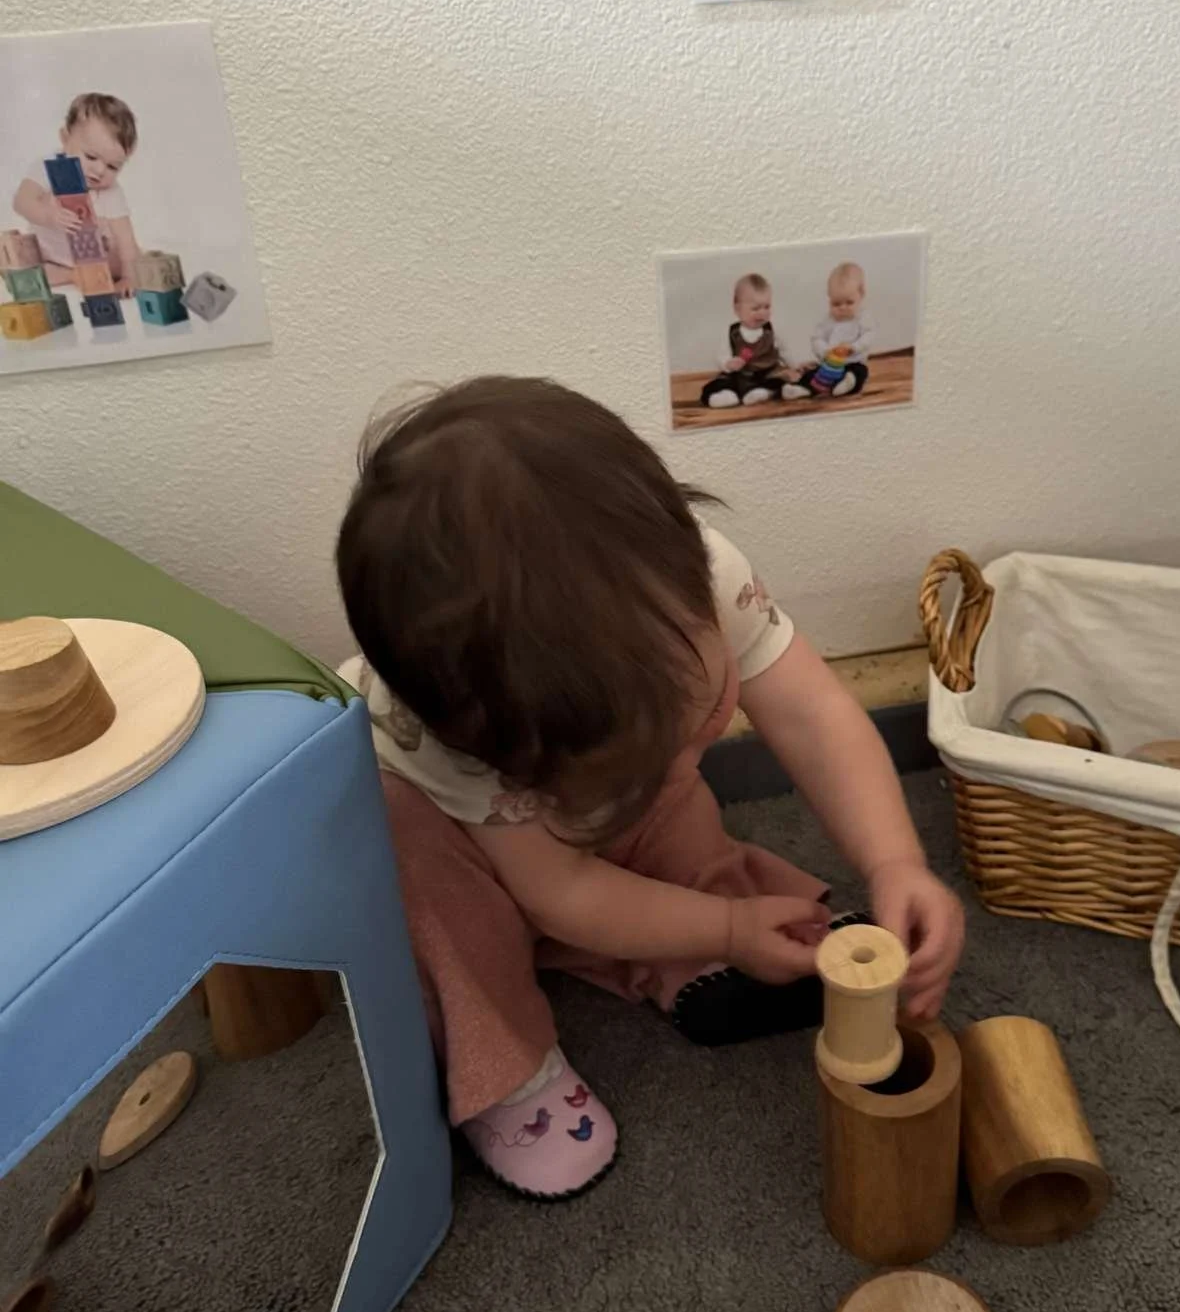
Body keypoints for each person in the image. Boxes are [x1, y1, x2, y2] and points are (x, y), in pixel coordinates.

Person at [337, 377, 963, 1199]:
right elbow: (561, 890)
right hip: (453, 833)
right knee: (444, 916)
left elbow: (813, 715)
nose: (677, 756)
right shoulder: (454, 740)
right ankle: (507, 1069)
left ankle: (692, 937)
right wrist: (732, 929)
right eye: (635, 752)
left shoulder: (696, 576)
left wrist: (895, 863)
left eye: (694, 720)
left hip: (567, 815)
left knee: (678, 824)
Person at [10, 92, 142, 292]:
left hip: (97, 260)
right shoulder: (47, 168)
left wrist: (128, 278)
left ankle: (83, 274)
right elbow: (21, 201)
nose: (99, 171)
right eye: (91, 157)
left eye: (113, 167)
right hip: (49, 256)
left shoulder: (111, 192)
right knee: (16, 263)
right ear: (65, 138)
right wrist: (49, 215)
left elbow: (126, 240)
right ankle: (71, 275)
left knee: (124, 257)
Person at [698, 270, 809, 409]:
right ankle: (726, 395)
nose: (762, 313)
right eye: (755, 308)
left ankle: (777, 391)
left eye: (766, 307)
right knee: (723, 381)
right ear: (737, 309)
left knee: (782, 378)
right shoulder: (732, 332)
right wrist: (728, 363)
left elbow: (785, 352)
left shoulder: (772, 331)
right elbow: (721, 354)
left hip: (768, 372)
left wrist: (796, 365)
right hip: (741, 374)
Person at [799, 260, 874, 396]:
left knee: (861, 372)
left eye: (849, 302)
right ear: (829, 299)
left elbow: (868, 336)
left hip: (853, 362)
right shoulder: (828, 320)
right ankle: (801, 388)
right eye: (836, 304)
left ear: (861, 294)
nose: (842, 308)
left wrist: (854, 347)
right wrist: (826, 351)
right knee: (813, 373)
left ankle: (849, 383)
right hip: (830, 364)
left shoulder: (862, 318)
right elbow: (816, 338)